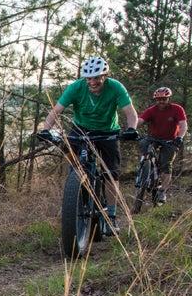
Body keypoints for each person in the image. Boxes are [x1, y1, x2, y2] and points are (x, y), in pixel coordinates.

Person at [39, 55, 139, 235]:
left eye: (97, 78)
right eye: (89, 78)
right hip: (80, 129)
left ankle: (111, 216)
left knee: (110, 174)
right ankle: (75, 199)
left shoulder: (116, 87)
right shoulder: (76, 88)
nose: (92, 82)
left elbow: (131, 113)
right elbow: (56, 111)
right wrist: (46, 129)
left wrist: (132, 128)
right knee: (74, 165)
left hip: (107, 131)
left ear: (105, 76)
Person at [136, 87, 187, 203]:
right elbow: (140, 120)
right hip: (153, 138)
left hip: (170, 140)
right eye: (159, 99)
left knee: (166, 165)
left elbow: (183, 125)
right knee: (144, 143)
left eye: (164, 99)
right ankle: (145, 164)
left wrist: (180, 137)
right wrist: (132, 128)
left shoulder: (176, 109)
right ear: (156, 100)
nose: (161, 101)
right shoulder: (152, 110)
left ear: (168, 98)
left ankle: (162, 191)